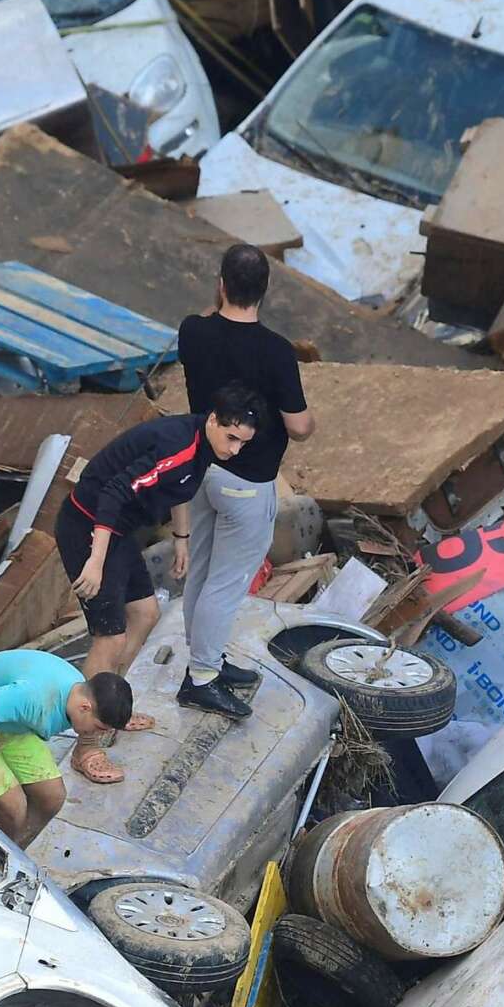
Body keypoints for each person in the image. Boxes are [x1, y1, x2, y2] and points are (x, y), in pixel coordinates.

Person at [54, 387, 265, 783]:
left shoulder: (203, 446)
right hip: (89, 526)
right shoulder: (179, 445)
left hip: (120, 532)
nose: (236, 450)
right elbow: (115, 492)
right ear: (213, 420)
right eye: (232, 438)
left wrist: (181, 539)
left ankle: (113, 706)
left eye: (244, 443)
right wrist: (95, 561)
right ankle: (86, 746)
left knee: (146, 613)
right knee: (109, 637)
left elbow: (178, 488)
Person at [172, 245, 312, 721]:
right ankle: (203, 677)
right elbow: (298, 425)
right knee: (226, 584)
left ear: (221, 285)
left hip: (201, 467)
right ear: (265, 292)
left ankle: (203, 658)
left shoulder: (193, 330)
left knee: (205, 569)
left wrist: (221, 298)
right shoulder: (275, 350)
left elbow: (213, 322)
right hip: (246, 480)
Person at [0, 649, 131, 846]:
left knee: (52, 798)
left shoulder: (76, 693)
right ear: (85, 707)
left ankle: (14, 851)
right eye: (99, 727)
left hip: (10, 725)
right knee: (13, 808)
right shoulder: (33, 698)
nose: (98, 735)